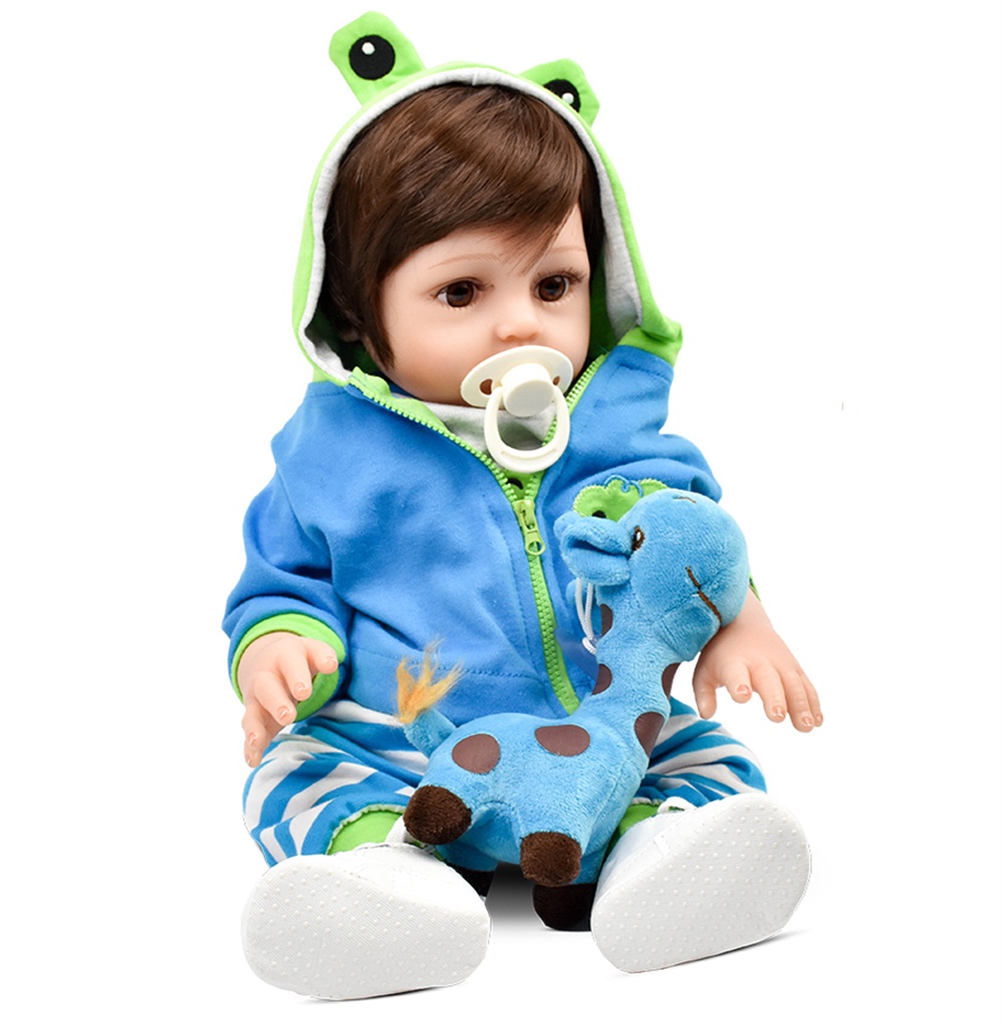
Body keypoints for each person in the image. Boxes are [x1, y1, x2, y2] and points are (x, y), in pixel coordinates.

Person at [224, 12, 822, 1002]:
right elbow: (280, 582)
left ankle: (659, 858)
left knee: (709, 757)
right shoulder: (330, 452)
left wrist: (740, 624)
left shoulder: (619, 431)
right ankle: (388, 874)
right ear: (360, 319)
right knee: (290, 773)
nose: (520, 323)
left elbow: (686, 541)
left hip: (599, 736)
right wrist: (278, 648)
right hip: (401, 742)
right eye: (462, 292)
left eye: (555, 283)